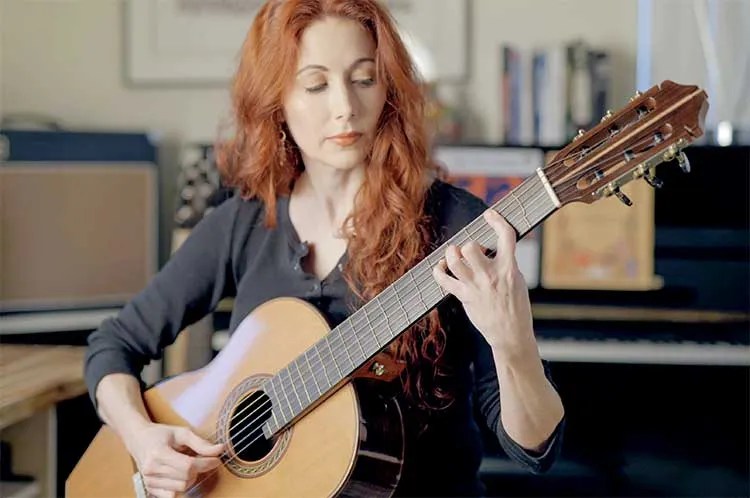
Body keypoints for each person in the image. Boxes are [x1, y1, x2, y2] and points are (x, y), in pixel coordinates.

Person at [84, 1, 565, 496]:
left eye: (364, 79)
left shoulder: (455, 225)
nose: (346, 107)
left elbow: (533, 449)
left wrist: (515, 346)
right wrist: (143, 440)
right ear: (276, 101)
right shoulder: (245, 222)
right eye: (315, 85)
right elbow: (112, 348)